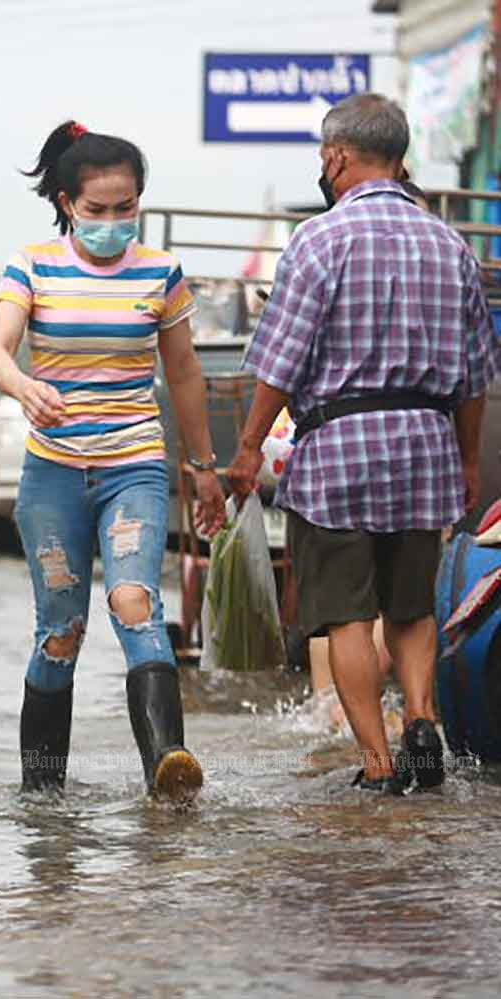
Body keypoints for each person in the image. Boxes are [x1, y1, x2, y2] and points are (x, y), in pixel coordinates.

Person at [228, 94, 501, 794]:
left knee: (346, 613)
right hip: (425, 444)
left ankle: (380, 762)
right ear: (400, 157)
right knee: (411, 606)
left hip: (338, 449)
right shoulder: (450, 245)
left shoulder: (319, 240)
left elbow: (278, 362)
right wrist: (468, 462)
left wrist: (250, 447)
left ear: (337, 156)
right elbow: (475, 375)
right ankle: (421, 716)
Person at [0, 121, 226, 801]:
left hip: (134, 464)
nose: (113, 222)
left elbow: (182, 376)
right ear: (66, 202)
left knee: (134, 601)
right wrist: (23, 384)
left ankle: (168, 766)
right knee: (62, 629)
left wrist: (202, 467)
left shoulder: (160, 273)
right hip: (53, 473)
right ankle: (42, 796)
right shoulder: (32, 264)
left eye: (127, 208)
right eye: (97, 210)